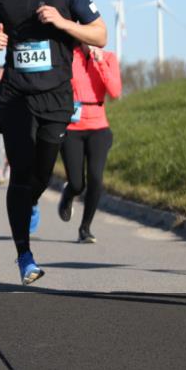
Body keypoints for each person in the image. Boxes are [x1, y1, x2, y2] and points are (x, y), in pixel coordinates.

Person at [0, 0, 107, 284]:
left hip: (55, 96)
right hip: (15, 95)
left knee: (41, 173)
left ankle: (31, 199)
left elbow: (100, 33)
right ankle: (24, 255)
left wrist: (64, 22)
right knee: (21, 174)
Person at [57, 43, 122, 243]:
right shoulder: (69, 55)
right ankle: (68, 195)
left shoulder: (109, 57)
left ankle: (85, 228)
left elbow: (115, 91)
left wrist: (100, 61)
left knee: (96, 178)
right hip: (72, 128)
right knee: (77, 183)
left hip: (99, 128)